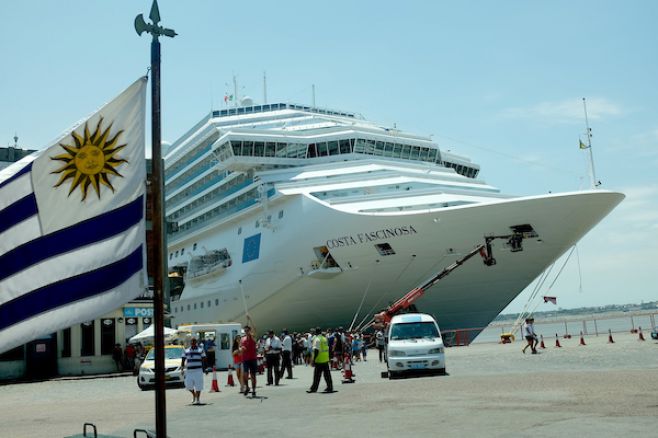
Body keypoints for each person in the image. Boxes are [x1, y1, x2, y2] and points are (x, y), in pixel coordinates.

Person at [307, 327, 334, 394]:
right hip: (325, 359)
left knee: (316, 376)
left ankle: (313, 388)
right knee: (327, 375)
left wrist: (313, 360)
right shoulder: (324, 339)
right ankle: (330, 387)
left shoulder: (317, 339)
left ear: (315, 332)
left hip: (319, 360)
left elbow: (316, 350)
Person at [181, 337, 207, 405]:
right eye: (192, 342)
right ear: (190, 343)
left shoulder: (200, 350)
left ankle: (198, 399)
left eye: (194, 342)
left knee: (198, 385)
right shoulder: (186, 351)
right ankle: (194, 395)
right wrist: (182, 369)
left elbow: (204, 360)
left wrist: (205, 369)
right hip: (189, 371)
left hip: (198, 370)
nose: (193, 343)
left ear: (196, 343)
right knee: (188, 385)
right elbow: (183, 360)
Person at [240, 316, 258, 397]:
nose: (246, 332)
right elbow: (240, 347)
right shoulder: (242, 339)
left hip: (253, 359)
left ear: (249, 331)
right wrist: (241, 348)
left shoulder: (253, 337)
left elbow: (254, 328)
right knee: (245, 375)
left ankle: (254, 390)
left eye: (247, 330)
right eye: (245, 331)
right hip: (245, 359)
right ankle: (247, 387)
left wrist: (250, 319)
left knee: (253, 375)